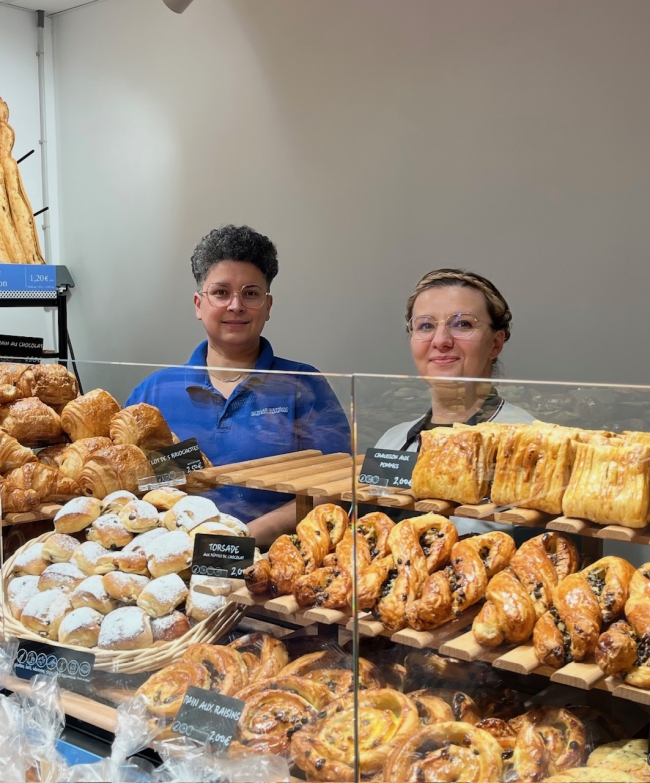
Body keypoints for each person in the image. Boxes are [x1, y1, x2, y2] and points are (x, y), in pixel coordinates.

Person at [127, 225, 350, 547]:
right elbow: (130, 482)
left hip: (275, 566)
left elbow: (336, 490)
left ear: (268, 305)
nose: (236, 305)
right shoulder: (155, 393)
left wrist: (241, 540)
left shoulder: (303, 386)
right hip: (168, 561)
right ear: (198, 304)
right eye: (221, 292)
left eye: (250, 293)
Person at [377, 268, 535, 451]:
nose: (440, 341)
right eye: (426, 325)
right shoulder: (391, 443)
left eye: (463, 324)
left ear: (495, 344)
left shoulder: (529, 444)